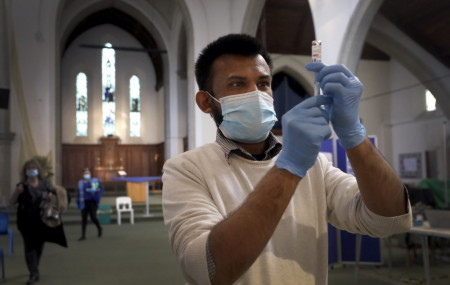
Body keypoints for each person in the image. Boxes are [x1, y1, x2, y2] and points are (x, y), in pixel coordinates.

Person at [9, 158, 68, 284]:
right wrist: (17, 192)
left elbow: (56, 195)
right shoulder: (22, 185)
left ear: (38, 170)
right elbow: (12, 201)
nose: (31, 170)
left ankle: (34, 268)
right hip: (26, 221)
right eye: (29, 169)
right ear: (25, 171)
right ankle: (33, 273)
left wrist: (52, 195)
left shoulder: (44, 183)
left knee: (39, 247)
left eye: (33, 168)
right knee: (29, 247)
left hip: (42, 220)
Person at [76, 168, 103, 241]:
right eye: (85, 173)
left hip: (92, 202)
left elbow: (98, 189)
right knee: (84, 219)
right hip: (83, 202)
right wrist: (78, 202)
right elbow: (79, 193)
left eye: (87, 173)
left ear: (90, 174)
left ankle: (99, 228)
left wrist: (92, 189)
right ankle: (83, 235)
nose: (86, 175)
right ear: (83, 175)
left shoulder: (94, 180)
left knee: (93, 217)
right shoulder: (80, 182)